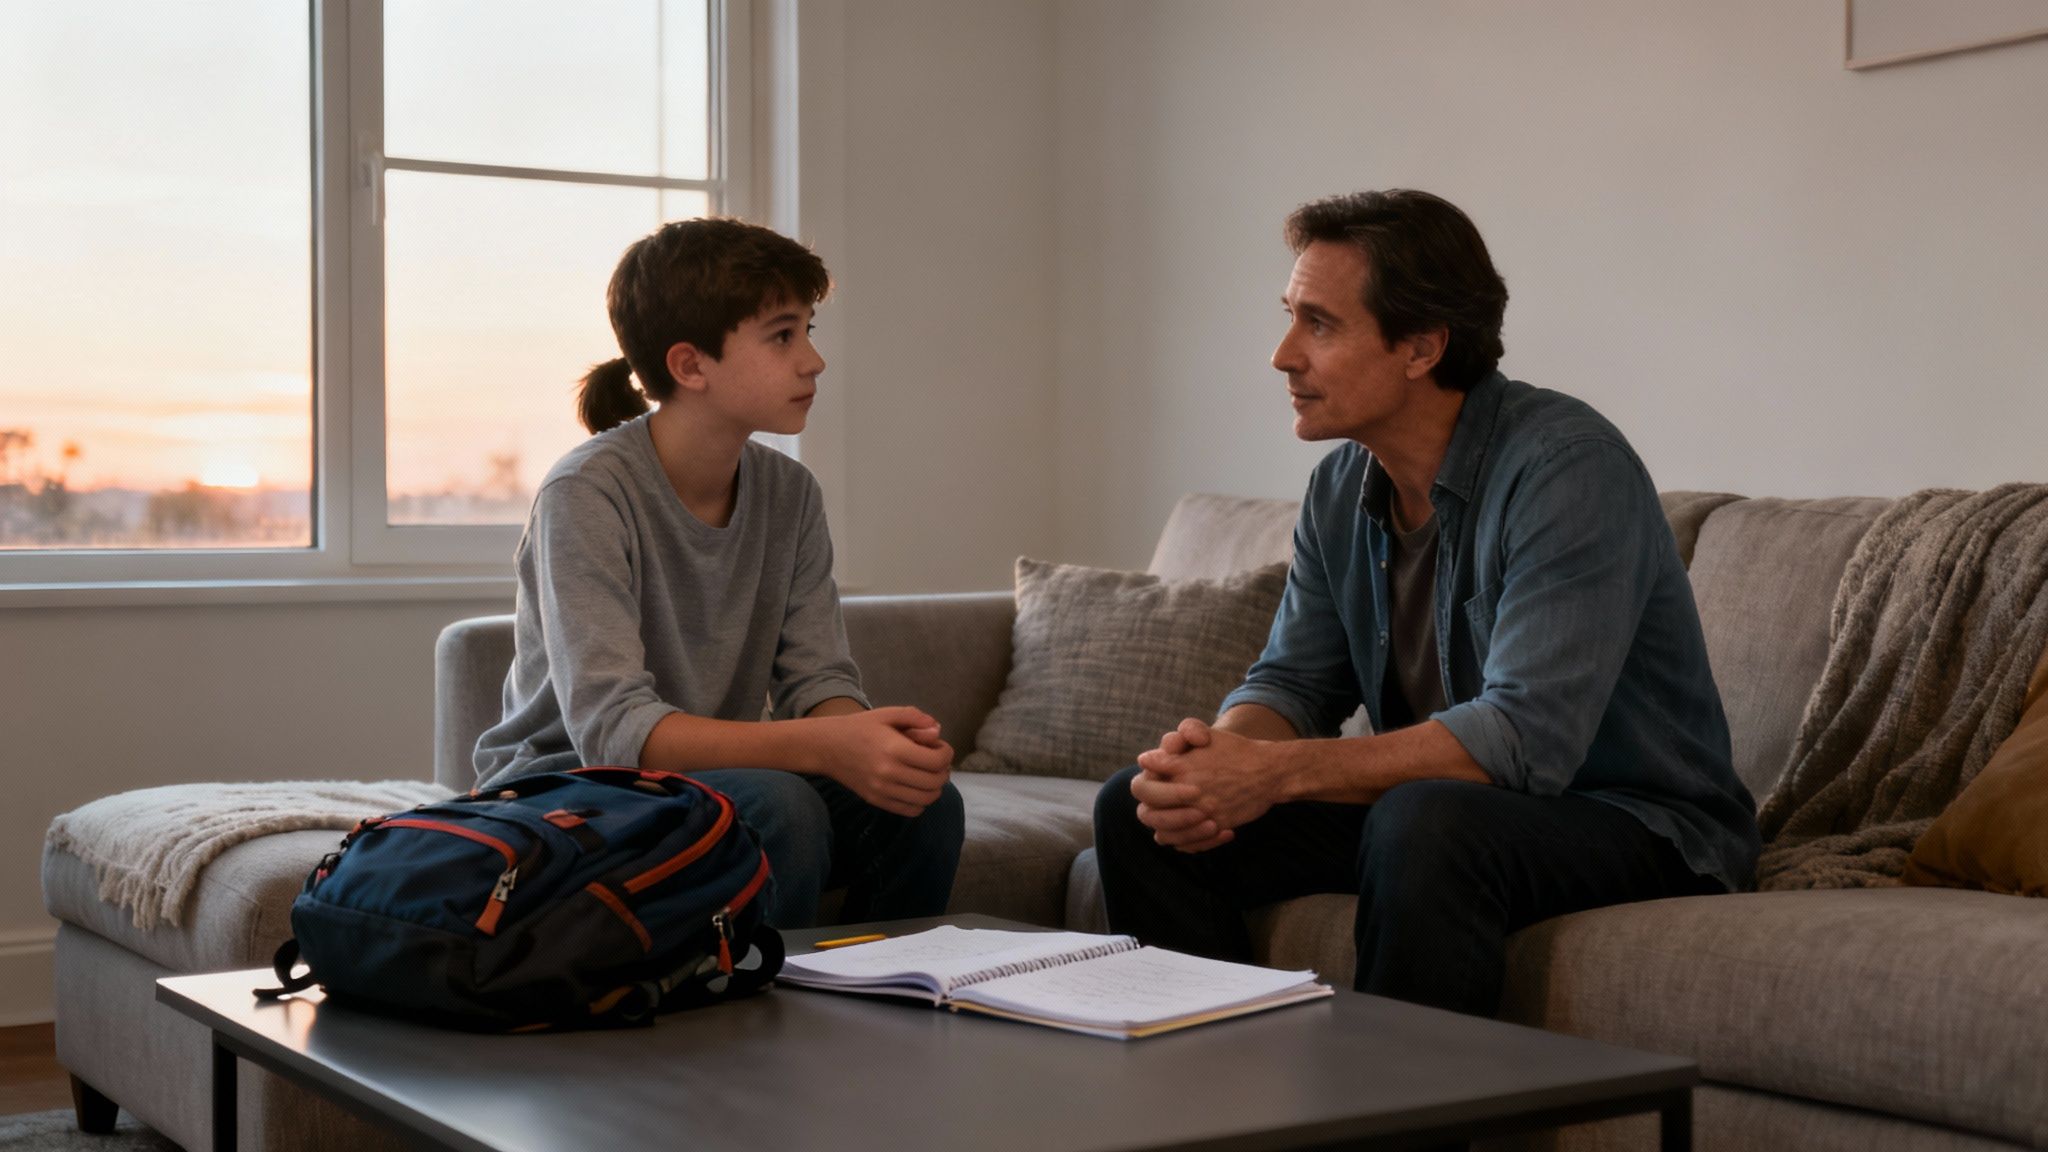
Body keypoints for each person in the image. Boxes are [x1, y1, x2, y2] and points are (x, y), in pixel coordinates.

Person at [1092, 190, 1760, 1017]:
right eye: (1288, 317)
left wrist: (1274, 775)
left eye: (1319, 324)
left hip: (1636, 824)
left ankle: (1401, 1125)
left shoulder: (1567, 469)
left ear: (1421, 346)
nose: (1281, 355)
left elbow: (1520, 740)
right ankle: (1221, 1112)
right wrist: (1218, 766)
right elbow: (1293, 685)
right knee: (1139, 809)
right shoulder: (1341, 486)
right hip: (1449, 810)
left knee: (1428, 822)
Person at [475, 217, 964, 928]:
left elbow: (818, 679)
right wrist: (822, 747)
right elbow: (613, 730)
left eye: (809, 330)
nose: (814, 361)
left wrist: (867, 745)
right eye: (783, 335)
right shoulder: (586, 492)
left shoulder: (791, 494)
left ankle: (881, 1001)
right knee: (777, 804)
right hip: (562, 789)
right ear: (690, 366)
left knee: (920, 803)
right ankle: (762, 1023)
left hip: (707, 782)